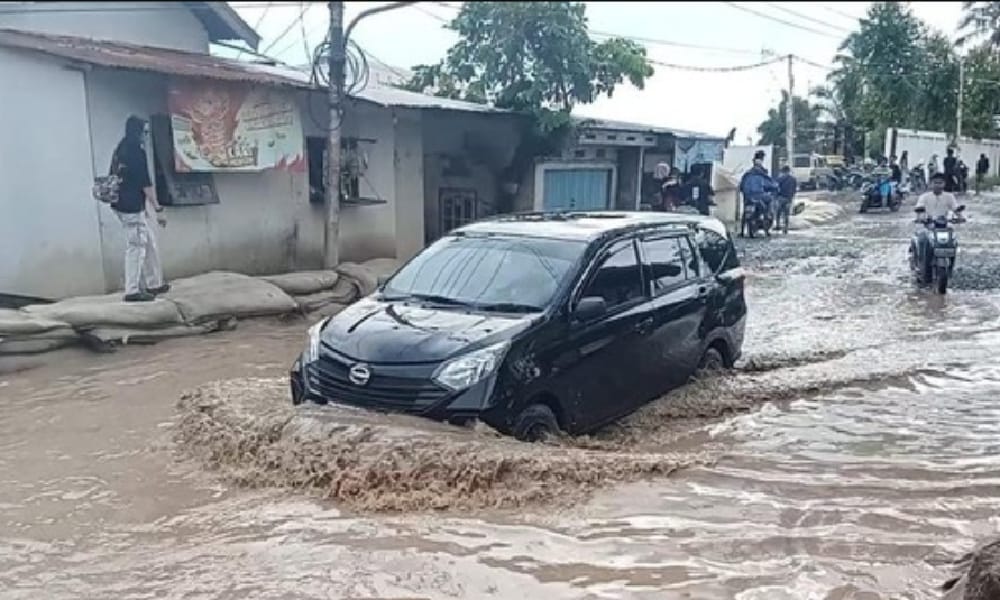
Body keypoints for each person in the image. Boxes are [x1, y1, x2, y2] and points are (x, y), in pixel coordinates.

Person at [111, 115, 169, 302]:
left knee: (149, 241)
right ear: (137, 132)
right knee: (136, 246)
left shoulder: (120, 148)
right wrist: (158, 209)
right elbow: (146, 183)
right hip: (131, 206)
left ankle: (154, 283)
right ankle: (132, 290)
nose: (146, 135)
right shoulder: (136, 152)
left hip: (121, 203)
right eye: (144, 131)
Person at [912, 172, 960, 282]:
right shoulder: (924, 197)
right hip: (927, 226)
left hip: (944, 226)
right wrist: (921, 218)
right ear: (930, 184)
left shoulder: (949, 196)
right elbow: (919, 210)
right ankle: (921, 267)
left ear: (944, 184)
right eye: (935, 183)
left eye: (940, 183)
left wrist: (960, 217)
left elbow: (956, 209)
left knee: (953, 242)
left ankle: (951, 268)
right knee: (922, 240)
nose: (938, 185)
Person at [739, 151, 778, 236]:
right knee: (769, 203)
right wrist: (775, 188)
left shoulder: (747, 174)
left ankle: (742, 231)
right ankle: (767, 220)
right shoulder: (761, 174)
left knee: (745, 212)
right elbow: (770, 184)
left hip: (748, 197)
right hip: (760, 196)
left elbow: (741, 187)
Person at [775, 165, 797, 232]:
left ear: (783, 171)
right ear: (789, 171)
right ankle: (786, 227)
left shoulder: (780, 179)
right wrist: (792, 196)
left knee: (778, 212)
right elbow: (794, 189)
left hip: (780, 198)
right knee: (786, 213)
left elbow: (776, 187)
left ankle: (778, 225)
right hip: (789, 198)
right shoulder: (793, 179)